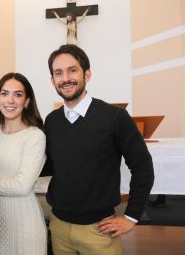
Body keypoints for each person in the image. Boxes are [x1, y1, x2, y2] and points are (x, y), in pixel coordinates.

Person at [41, 44, 154, 255]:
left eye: (72, 70)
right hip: (58, 228)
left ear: (87, 74)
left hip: (99, 231)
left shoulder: (114, 117)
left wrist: (131, 216)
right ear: (52, 80)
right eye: (58, 73)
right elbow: (50, 166)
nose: (65, 78)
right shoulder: (52, 121)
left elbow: (143, 166)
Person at [0, 73, 47, 255]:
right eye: (4, 93)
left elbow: (22, 185)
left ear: (26, 101)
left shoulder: (34, 136)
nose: (10, 100)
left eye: (18, 95)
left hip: (23, 221)